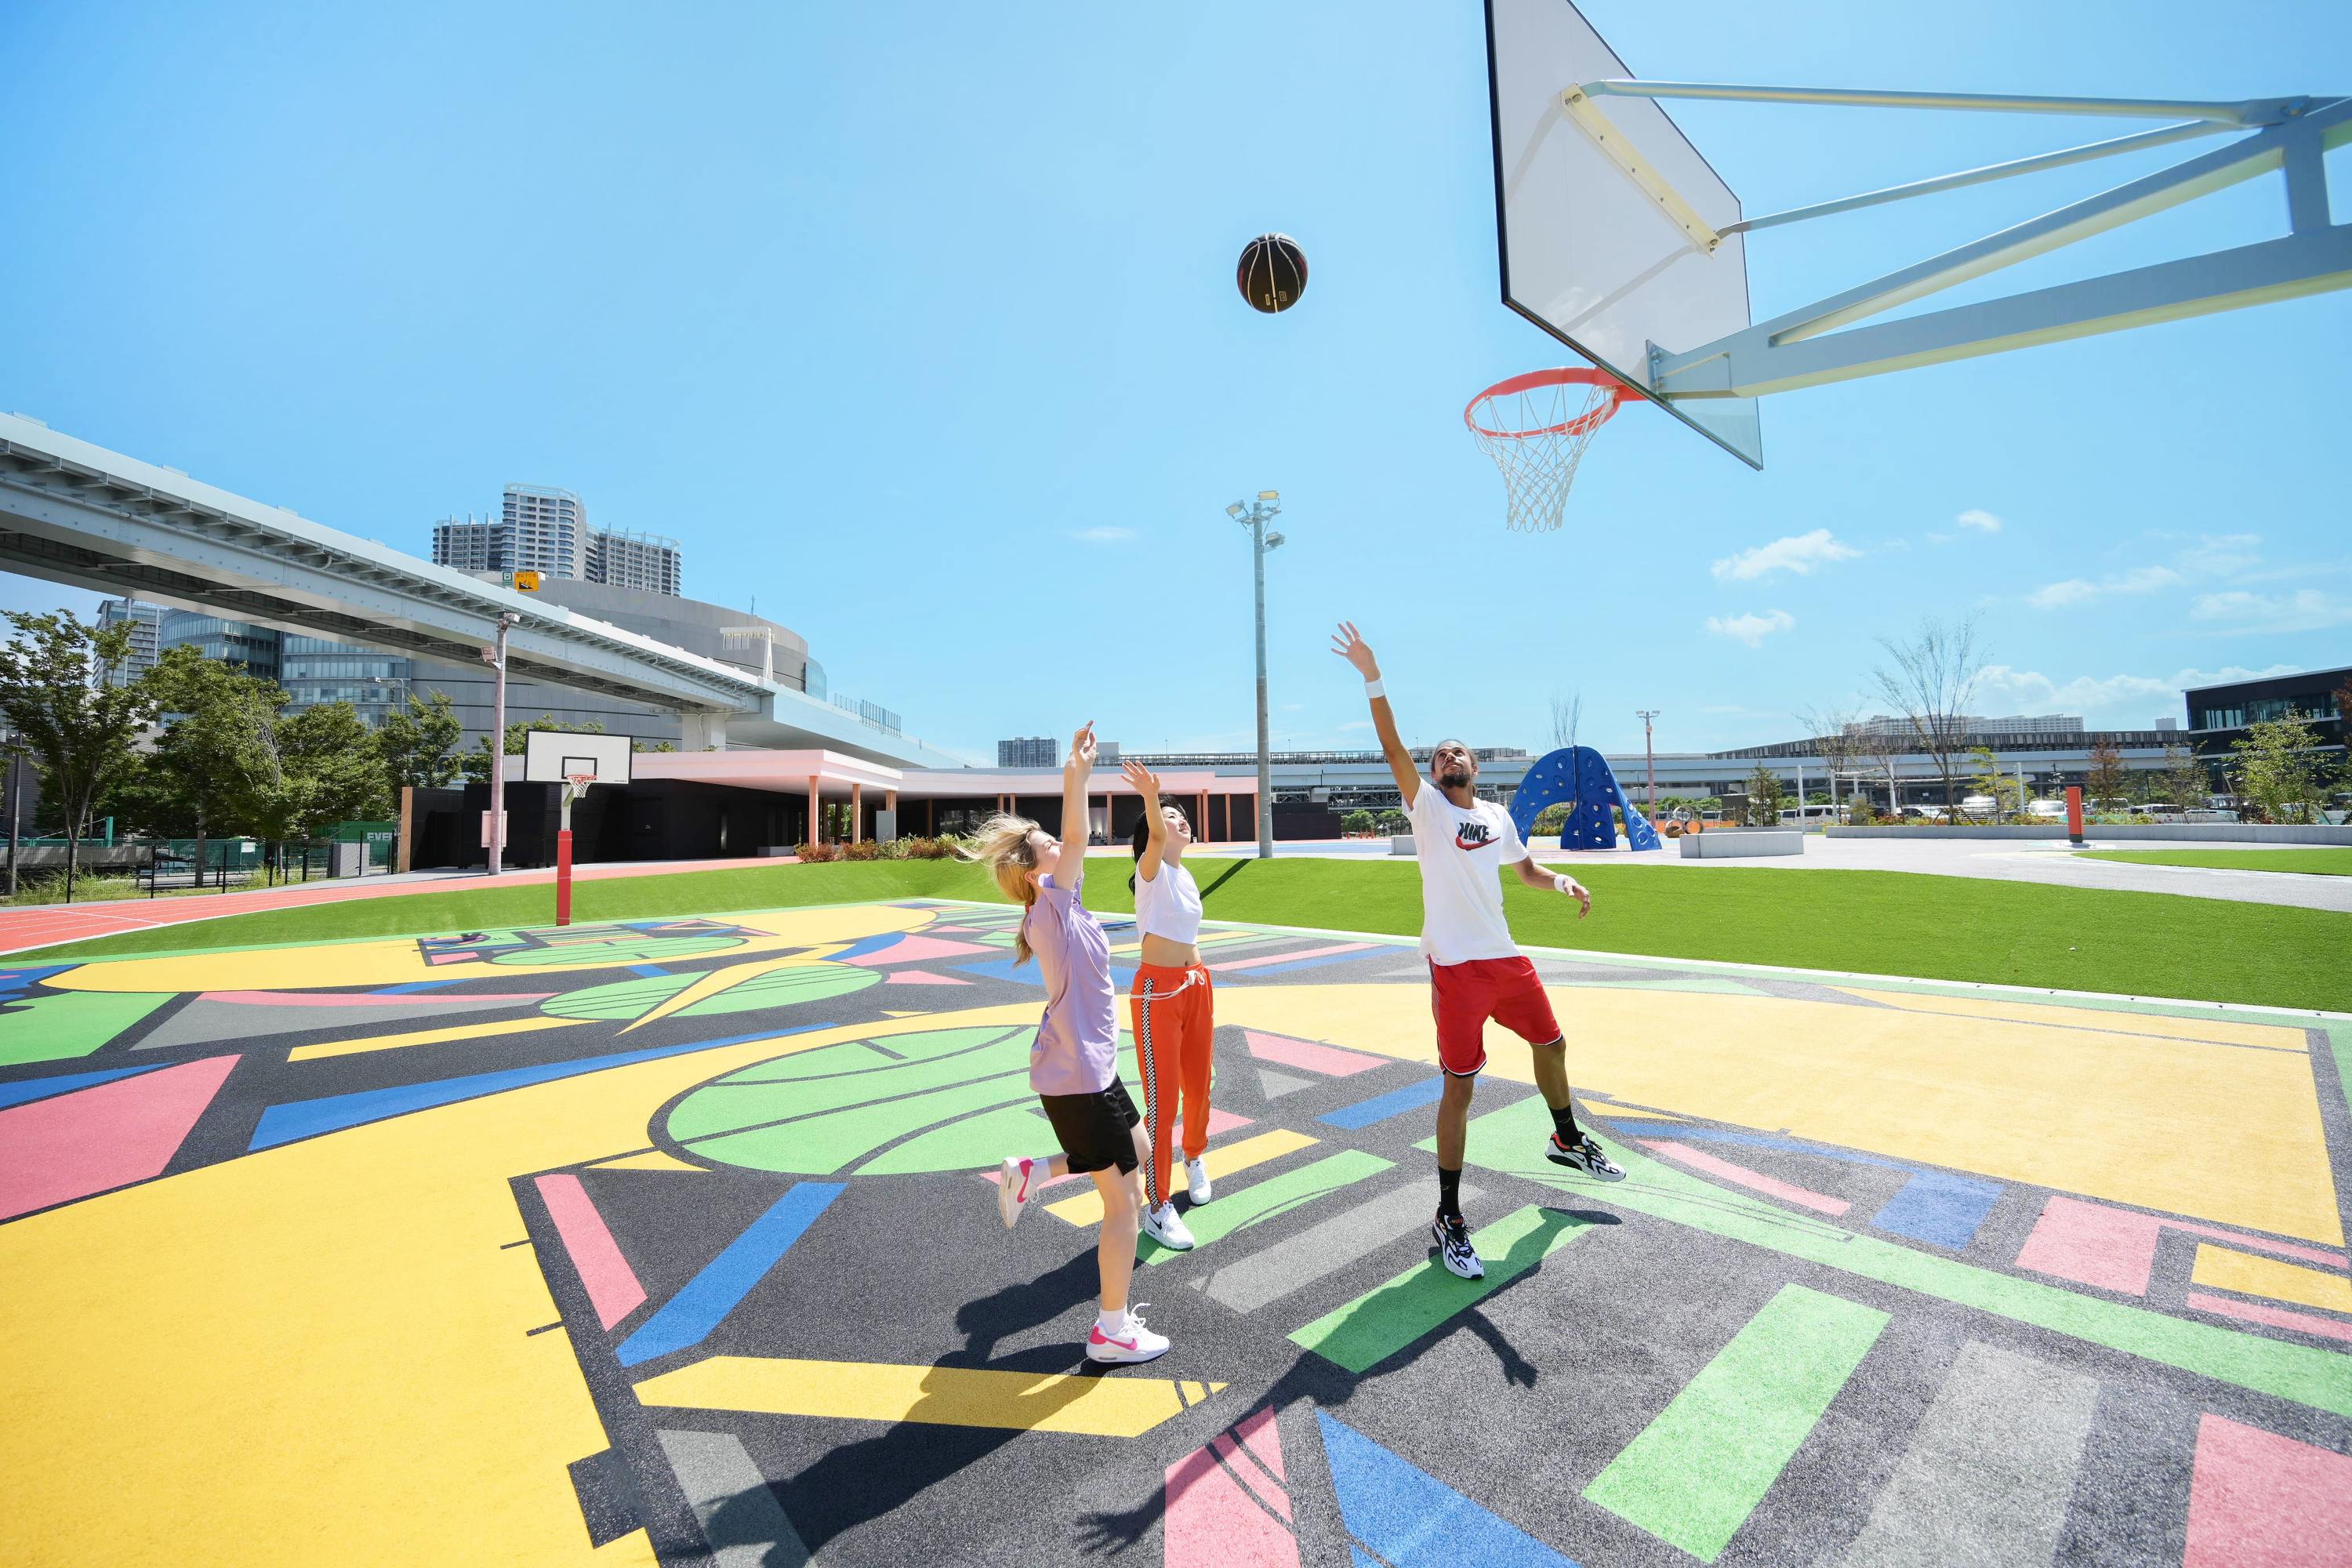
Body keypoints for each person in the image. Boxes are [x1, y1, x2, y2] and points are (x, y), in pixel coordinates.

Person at [1330, 621, 1624, 1282]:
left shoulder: (1496, 815)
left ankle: (1566, 1138)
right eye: (1440, 755)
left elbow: (1524, 871)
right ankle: (1450, 1216)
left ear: (1476, 767)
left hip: (1504, 959)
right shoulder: (1427, 808)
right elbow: (1389, 743)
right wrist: (1372, 674)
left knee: (1553, 1046)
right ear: (1433, 775)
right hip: (1457, 971)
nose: (1448, 758)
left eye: (1458, 752)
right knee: (1459, 1089)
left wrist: (1559, 880)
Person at [967, 723, 1168, 1365]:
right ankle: (1111, 1329)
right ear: (1033, 871)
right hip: (1080, 1075)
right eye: (1047, 844)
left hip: (1087, 1071)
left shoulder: (1064, 902)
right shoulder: (1050, 903)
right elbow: (1078, 835)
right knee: (1124, 1203)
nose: (1062, 845)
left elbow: (1074, 844)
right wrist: (1074, 775)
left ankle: (1031, 1172)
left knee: (1133, 1149)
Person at [1119, 758, 1214, 1253]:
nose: (1180, 821)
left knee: (1200, 1086)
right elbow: (1155, 837)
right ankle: (1156, 1207)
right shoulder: (1149, 871)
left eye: (1182, 815)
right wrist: (1152, 799)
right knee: (1164, 1102)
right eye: (1170, 816)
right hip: (1158, 992)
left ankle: (1194, 1156)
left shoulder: (1186, 876)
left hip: (1197, 984)